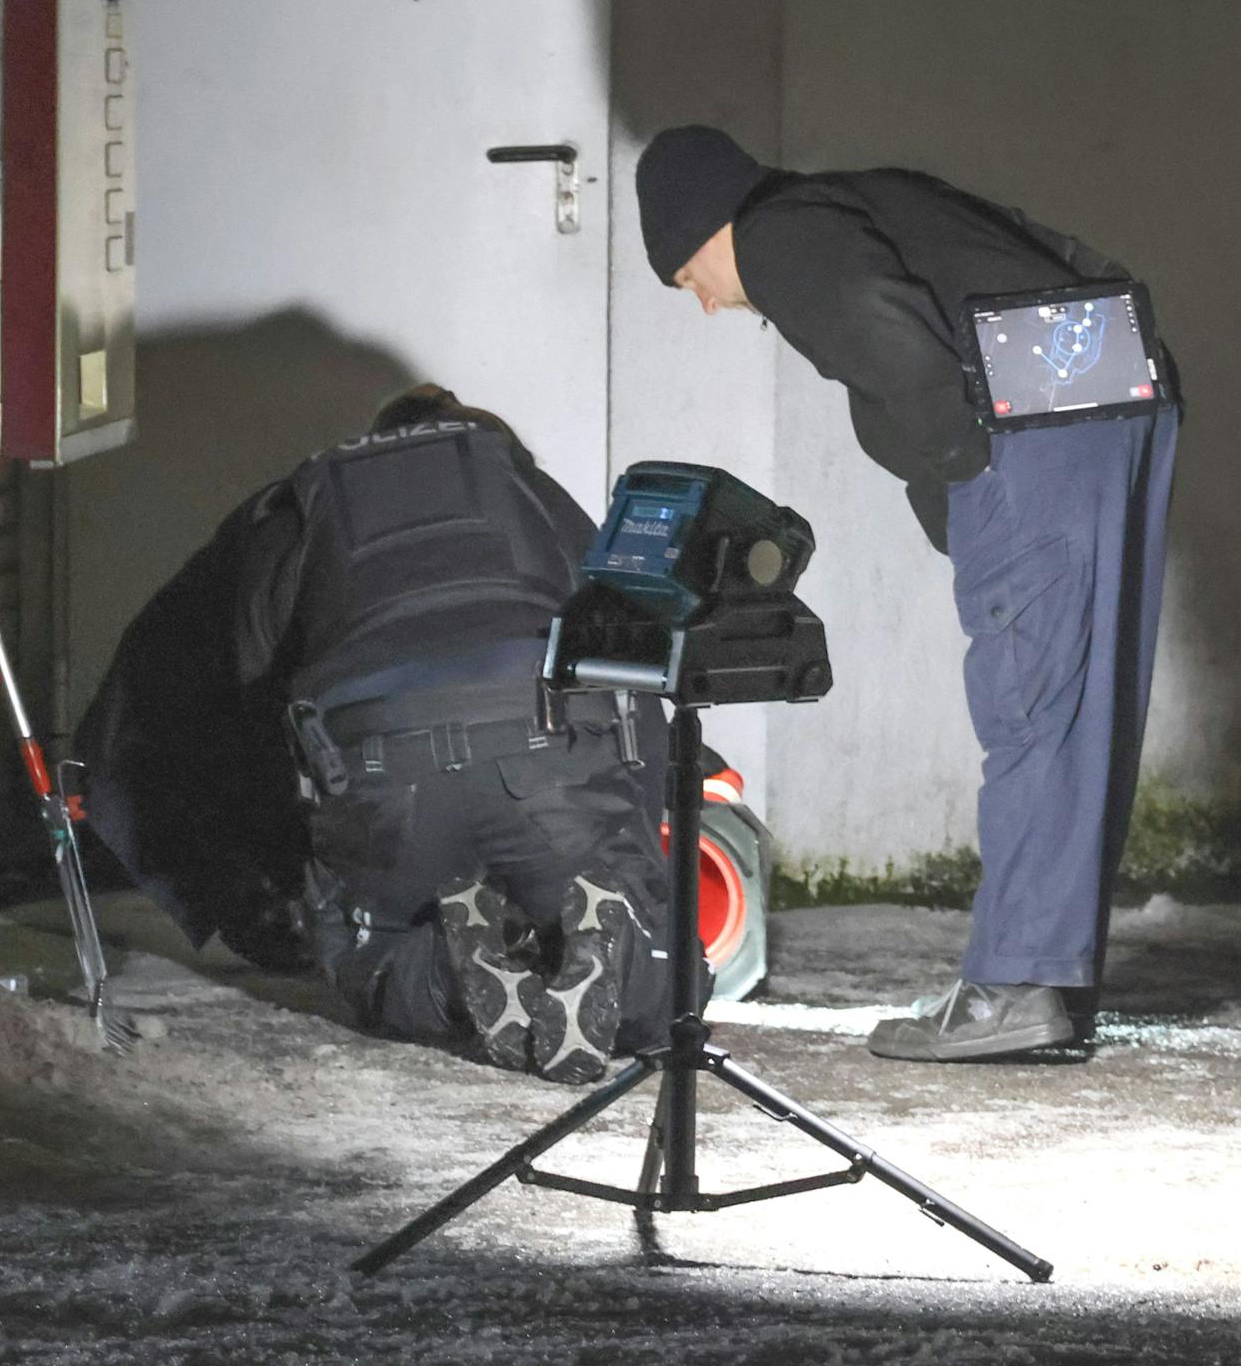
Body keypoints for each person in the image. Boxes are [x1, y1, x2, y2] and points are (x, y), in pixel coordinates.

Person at [635, 127, 1178, 1060]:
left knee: (1030, 703)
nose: (707, 304)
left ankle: (1013, 986)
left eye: (687, 276)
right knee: (1084, 707)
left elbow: (892, 339)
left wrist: (966, 468)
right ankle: (1050, 982)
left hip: (1033, 427)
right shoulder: (864, 193)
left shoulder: (778, 233)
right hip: (1109, 381)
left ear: (704, 225)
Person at [75, 385, 673, 1084]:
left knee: (372, 969)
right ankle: (607, 957)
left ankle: (450, 971)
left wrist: (268, 887)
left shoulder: (299, 505)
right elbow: (631, 664)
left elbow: (222, 701)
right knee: (661, 984)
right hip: (544, 752)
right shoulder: (527, 490)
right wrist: (637, 843)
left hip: (380, 772)